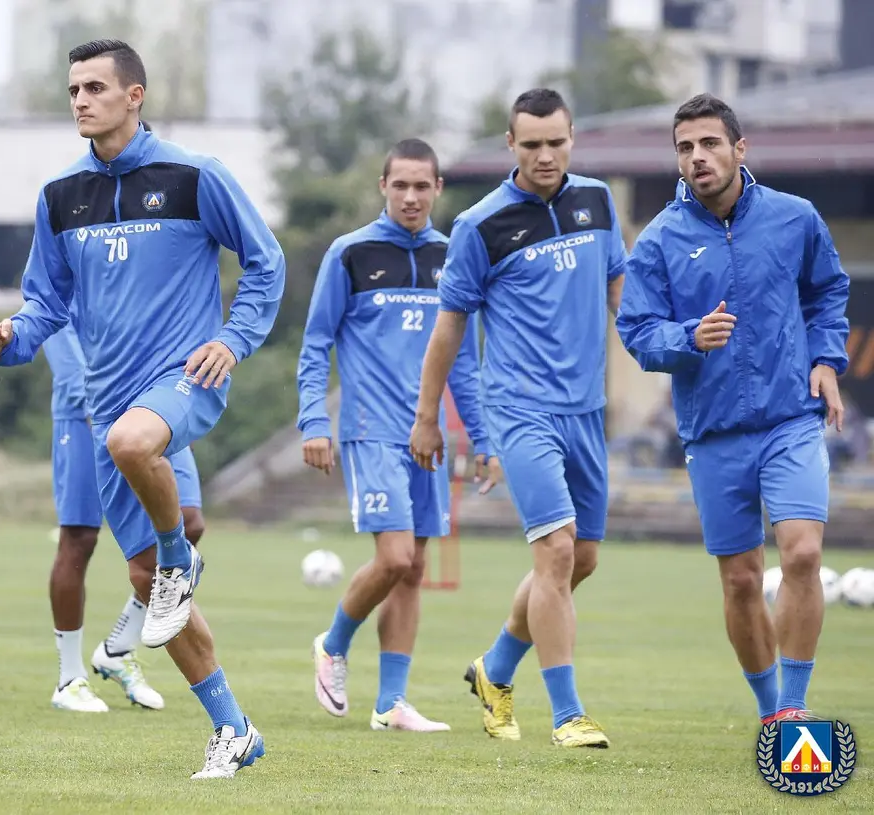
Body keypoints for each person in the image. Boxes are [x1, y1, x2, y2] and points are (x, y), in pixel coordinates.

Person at [0, 39, 285, 778]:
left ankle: (180, 558)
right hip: (107, 402)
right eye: (73, 89)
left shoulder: (195, 175)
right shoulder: (60, 196)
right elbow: (46, 303)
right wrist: (13, 337)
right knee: (146, 585)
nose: (80, 100)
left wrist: (234, 339)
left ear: (134, 95)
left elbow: (265, 260)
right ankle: (233, 728)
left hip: (185, 379)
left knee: (133, 449)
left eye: (95, 87)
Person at [616, 93, 849, 724]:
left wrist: (826, 360)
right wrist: (688, 337)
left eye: (709, 143)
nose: (697, 157)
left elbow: (828, 292)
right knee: (742, 580)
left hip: (790, 418)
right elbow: (636, 331)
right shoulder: (659, 241)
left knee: (802, 554)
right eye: (685, 147)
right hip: (713, 432)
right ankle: (772, 712)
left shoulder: (795, 218)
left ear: (739, 148)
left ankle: (793, 710)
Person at [409, 89, 627, 748]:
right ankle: (568, 714)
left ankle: (495, 666)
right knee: (555, 551)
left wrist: (669, 348)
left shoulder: (598, 201)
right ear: (511, 145)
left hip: (586, 411)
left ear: (572, 137)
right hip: (519, 409)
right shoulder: (480, 225)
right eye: (531, 144)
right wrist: (427, 417)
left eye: (556, 142)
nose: (545, 155)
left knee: (581, 559)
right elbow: (448, 330)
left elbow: (623, 295)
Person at [297, 138, 500, 732]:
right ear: (383, 187)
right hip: (371, 430)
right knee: (395, 556)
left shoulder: (453, 258)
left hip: (427, 438)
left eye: (422, 186)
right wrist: (313, 420)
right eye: (401, 185)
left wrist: (483, 439)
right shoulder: (350, 253)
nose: (411, 196)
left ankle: (391, 703)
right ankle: (333, 643)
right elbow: (315, 343)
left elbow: (464, 362)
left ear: (438, 189)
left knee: (414, 569)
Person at [41, 319, 205, 713]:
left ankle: (118, 647)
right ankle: (69, 678)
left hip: (149, 400)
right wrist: (86, 394)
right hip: (84, 409)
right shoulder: (67, 274)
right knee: (79, 538)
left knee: (188, 521)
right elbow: (51, 319)